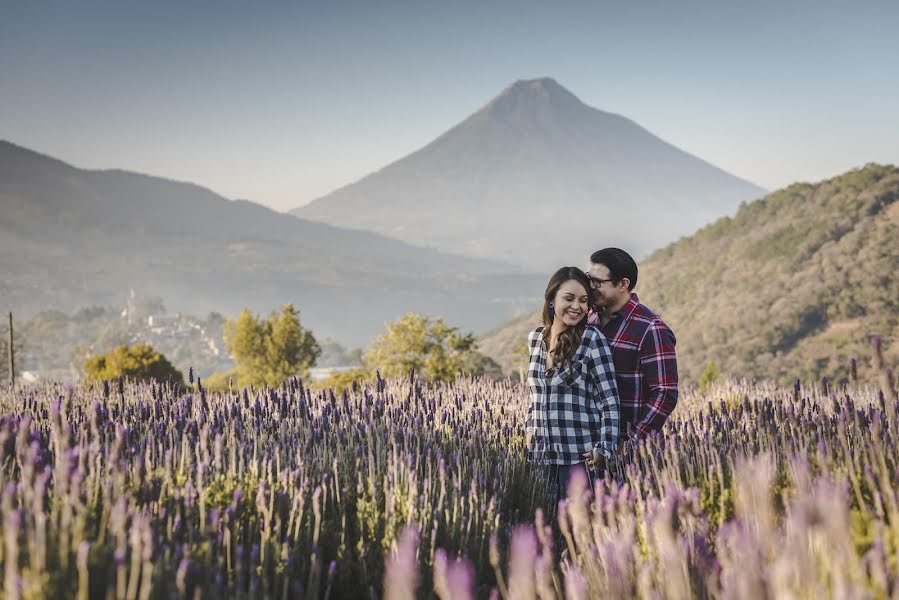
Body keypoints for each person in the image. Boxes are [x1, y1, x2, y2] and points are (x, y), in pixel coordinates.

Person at [525, 266, 620, 503]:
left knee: (577, 534)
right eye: (568, 298)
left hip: (577, 460)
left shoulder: (592, 340)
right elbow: (535, 395)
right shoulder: (536, 338)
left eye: (583, 300)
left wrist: (604, 449)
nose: (576, 306)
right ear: (551, 301)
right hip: (540, 459)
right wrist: (528, 430)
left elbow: (609, 401)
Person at [586, 248, 678, 442]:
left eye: (598, 282)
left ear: (623, 284)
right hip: (586, 445)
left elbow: (665, 393)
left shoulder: (651, 329)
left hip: (626, 455)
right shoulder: (588, 319)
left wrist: (631, 441)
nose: (590, 286)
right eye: (589, 278)